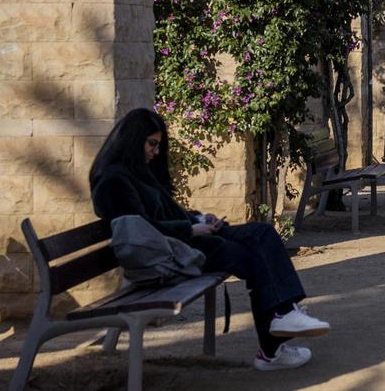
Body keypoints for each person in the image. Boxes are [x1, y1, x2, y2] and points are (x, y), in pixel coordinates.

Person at [89, 108, 330, 371]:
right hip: (167, 256)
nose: (155, 152)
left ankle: (283, 317)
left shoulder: (136, 172)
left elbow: (167, 213)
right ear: (132, 139)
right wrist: (191, 230)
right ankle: (274, 345)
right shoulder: (112, 180)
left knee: (262, 233)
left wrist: (201, 219)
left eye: (158, 145)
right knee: (253, 257)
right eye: (151, 144)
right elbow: (138, 231)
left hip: (184, 241)